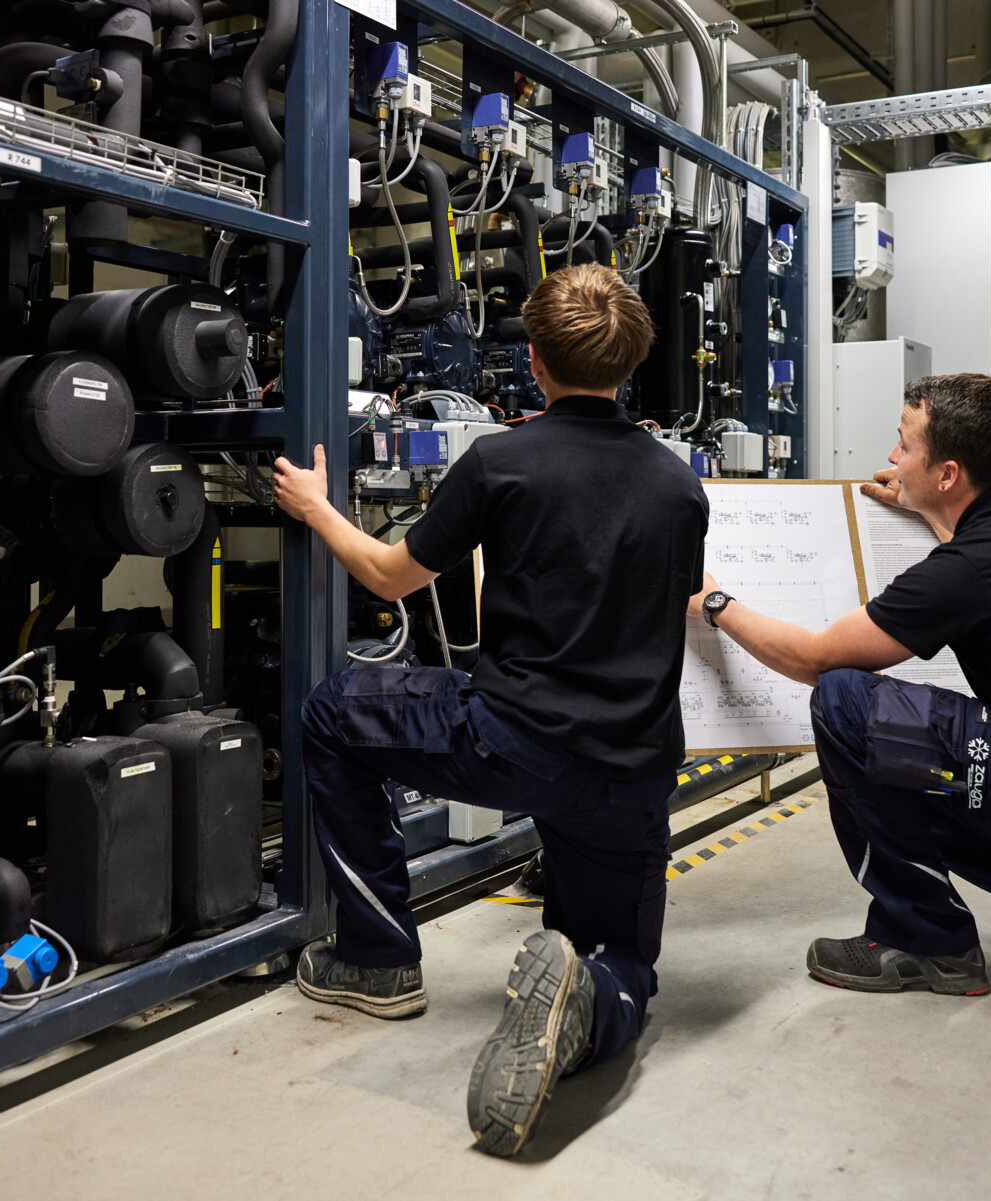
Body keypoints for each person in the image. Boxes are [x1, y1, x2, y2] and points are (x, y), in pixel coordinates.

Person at [272, 264, 707, 1156]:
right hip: (633, 766)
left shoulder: (500, 460)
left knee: (334, 711)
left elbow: (392, 576)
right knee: (623, 957)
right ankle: (590, 1001)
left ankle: (378, 957)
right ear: (628, 366)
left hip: (514, 741)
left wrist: (318, 509)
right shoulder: (678, 483)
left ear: (535, 363)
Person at [689, 373, 991, 996]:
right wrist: (923, 505)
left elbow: (815, 658)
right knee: (935, 755)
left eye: (904, 446)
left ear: (948, 474)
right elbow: (987, 559)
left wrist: (715, 602)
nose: (893, 459)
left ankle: (925, 941)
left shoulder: (965, 572)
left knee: (847, 700)